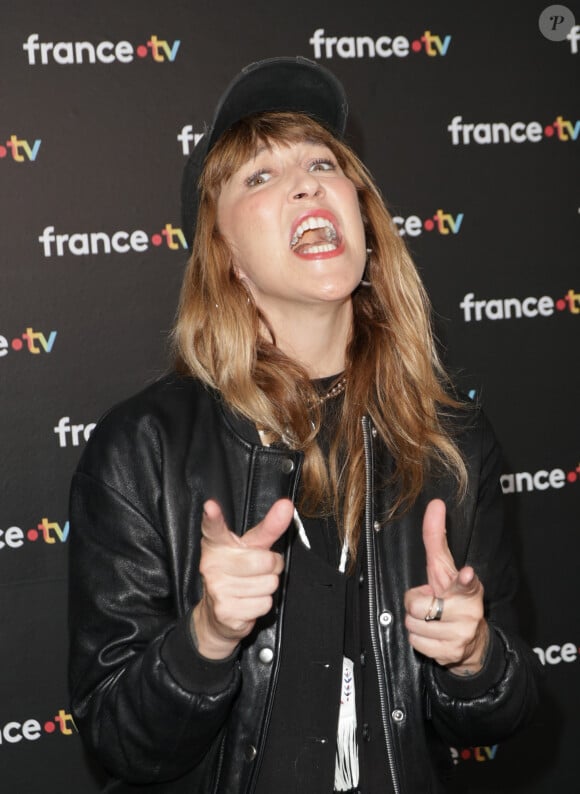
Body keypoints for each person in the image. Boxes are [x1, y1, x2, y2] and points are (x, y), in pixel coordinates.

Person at [68, 57, 539, 793]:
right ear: (225, 259)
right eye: (259, 177)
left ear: (365, 220)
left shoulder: (451, 441)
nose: (306, 182)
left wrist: (474, 656)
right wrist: (208, 637)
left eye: (323, 162)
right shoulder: (144, 450)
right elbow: (120, 746)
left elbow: (497, 718)